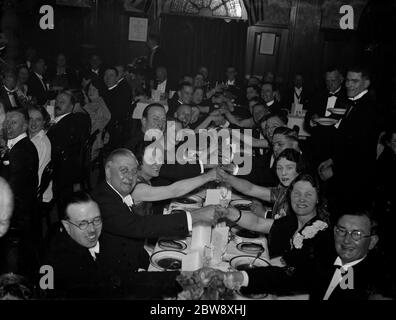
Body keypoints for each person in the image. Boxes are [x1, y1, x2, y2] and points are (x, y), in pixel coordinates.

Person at [91, 148, 219, 277]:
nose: (130, 177)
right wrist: (195, 216)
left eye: (134, 171)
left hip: (136, 255)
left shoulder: (118, 190)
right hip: (116, 275)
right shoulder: (104, 200)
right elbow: (140, 225)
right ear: (108, 170)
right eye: (124, 170)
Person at [45, 191, 184, 299]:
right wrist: (183, 280)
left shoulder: (99, 234)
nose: (92, 230)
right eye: (83, 223)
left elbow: (132, 258)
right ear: (66, 226)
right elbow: (121, 286)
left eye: (96, 220)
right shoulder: (64, 261)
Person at [215, 173, 333, 295]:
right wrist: (228, 212)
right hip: (280, 284)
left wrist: (241, 277)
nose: (301, 199)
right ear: (290, 196)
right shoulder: (293, 221)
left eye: (308, 194)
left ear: (318, 198)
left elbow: (294, 279)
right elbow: (257, 223)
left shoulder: (322, 234)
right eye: (296, 193)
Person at [318, 66, 384, 212]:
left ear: (366, 84)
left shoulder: (368, 108)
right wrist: (331, 160)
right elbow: (346, 141)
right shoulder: (354, 102)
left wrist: (334, 169)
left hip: (356, 176)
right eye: (347, 80)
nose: (348, 85)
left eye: (354, 81)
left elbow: (360, 148)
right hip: (347, 171)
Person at [310, 210, 393, 300]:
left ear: (372, 242)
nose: (346, 240)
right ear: (334, 232)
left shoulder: (377, 284)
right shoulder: (320, 262)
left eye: (357, 234)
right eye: (342, 231)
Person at [0, 108, 39, 275]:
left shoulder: (22, 152)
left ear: (24, 126)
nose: (8, 126)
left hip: (16, 215)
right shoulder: (18, 146)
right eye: (6, 122)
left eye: (13, 122)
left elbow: (10, 189)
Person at [218, 148, 305, 220]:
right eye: (279, 168)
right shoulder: (283, 191)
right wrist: (225, 176)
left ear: (300, 170)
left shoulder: (302, 199)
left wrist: (265, 214)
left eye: (289, 168)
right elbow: (250, 188)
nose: (283, 173)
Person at [131, 144, 217, 216]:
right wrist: (208, 176)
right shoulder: (136, 188)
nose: (158, 163)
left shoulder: (150, 179)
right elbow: (174, 190)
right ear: (138, 161)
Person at [47, 91, 90, 212]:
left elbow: (52, 150)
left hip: (61, 173)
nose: (57, 104)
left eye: (62, 102)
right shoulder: (71, 120)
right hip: (71, 171)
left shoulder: (64, 125)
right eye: (56, 101)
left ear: (71, 107)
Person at [102, 66, 133, 149]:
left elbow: (115, 114)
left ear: (116, 78)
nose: (107, 78)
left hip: (112, 129)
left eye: (111, 75)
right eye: (106, 75)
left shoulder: (118, 93)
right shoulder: (106, 91)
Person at [28, 105, 52, 203]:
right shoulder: (33, 138)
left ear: (44, 122)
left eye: (38, 119)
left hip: (37, 195)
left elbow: (30, 175)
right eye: (30, 119)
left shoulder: (39, 144)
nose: (33, 123)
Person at [83, 80, 111, 161]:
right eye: (89, 89)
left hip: (91, 145)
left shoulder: (94, 105)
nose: (91, 92)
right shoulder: (100, 101)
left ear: (100, 91)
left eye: (94, 89)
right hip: (98, 141)